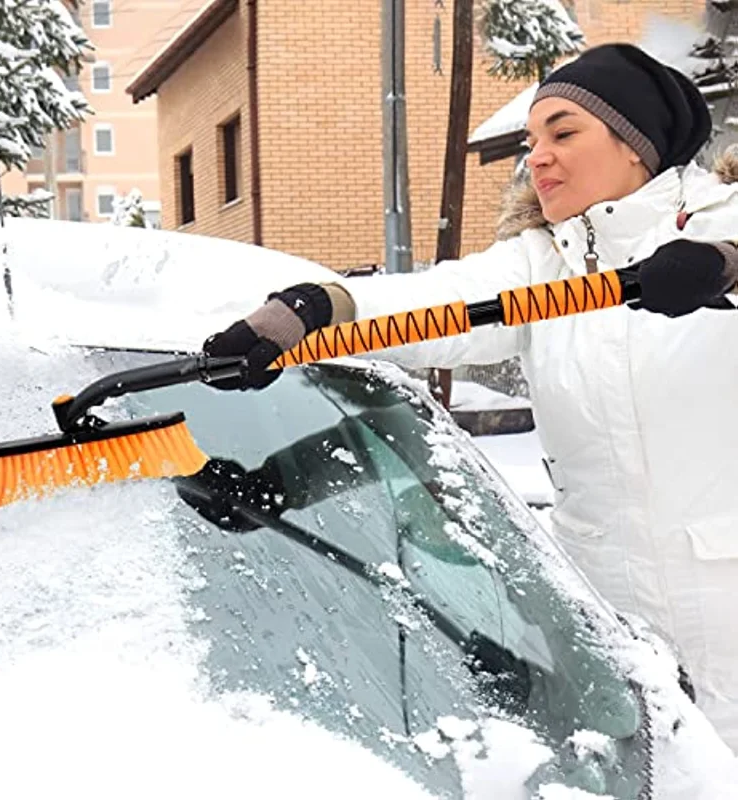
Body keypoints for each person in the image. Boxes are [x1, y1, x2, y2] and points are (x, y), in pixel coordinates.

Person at [202, 43, 738, 749]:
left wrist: (725, 263)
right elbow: (440, 300)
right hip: (608, 613)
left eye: (563, 132)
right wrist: (314, 307)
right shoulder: (548, 264)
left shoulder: (717, 223)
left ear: (635, 145)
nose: (537, 157)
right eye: (531, 140)